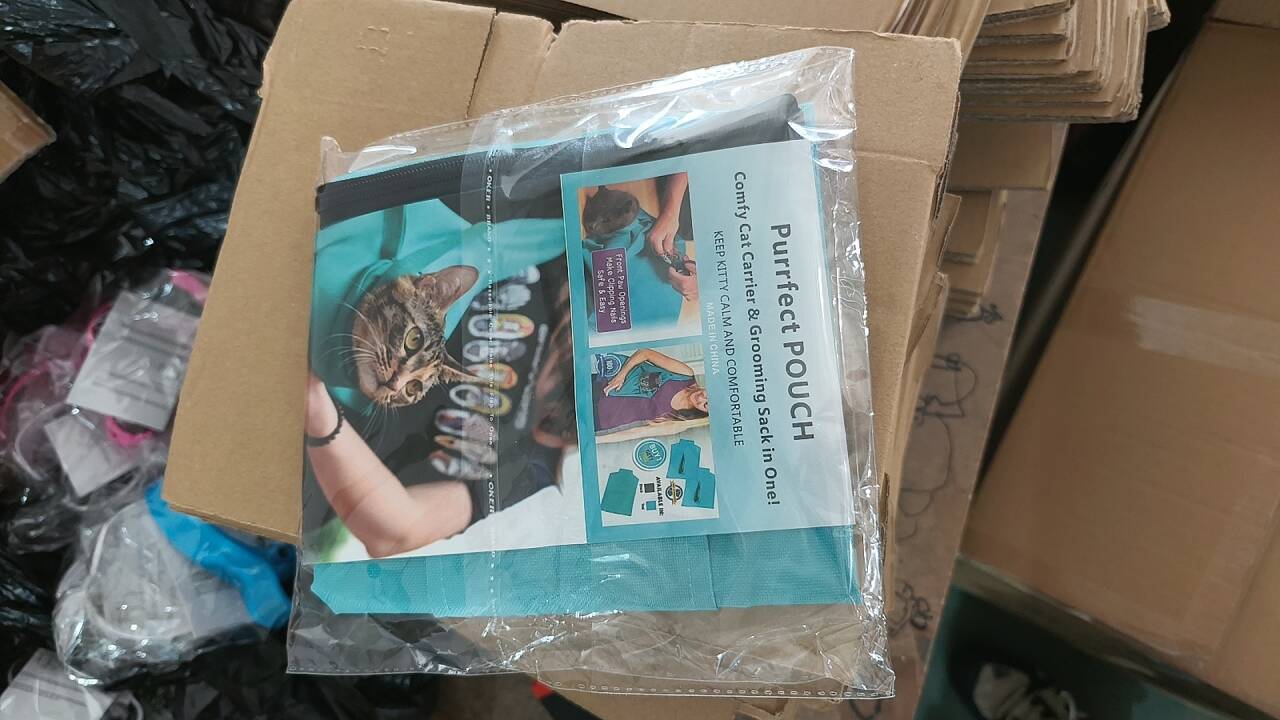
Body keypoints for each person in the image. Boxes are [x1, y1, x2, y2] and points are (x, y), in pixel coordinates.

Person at [593, 348, 709, 435]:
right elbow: (645, 353)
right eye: (708, 396)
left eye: (705, 405)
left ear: (704, 413)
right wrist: (621, 376)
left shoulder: (679, 420)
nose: (700, 398)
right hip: (602, 384)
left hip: (602, 417)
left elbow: (638, 431)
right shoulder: (685, 375)